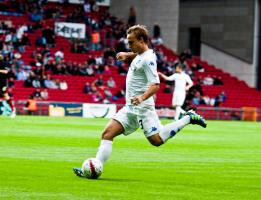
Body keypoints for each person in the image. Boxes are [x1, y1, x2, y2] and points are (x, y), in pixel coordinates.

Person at [73, 25, 207, 177]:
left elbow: (156, 85)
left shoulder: (149, 60)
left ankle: (188, 118)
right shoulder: (140, 54)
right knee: (107, 134)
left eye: (131, 42)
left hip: (143, 107)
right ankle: (94, 168)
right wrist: (127, 55)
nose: (129, 45)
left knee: (156, 140)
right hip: (130, 107)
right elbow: (138, 56)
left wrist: (142, 97)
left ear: (141, 40)